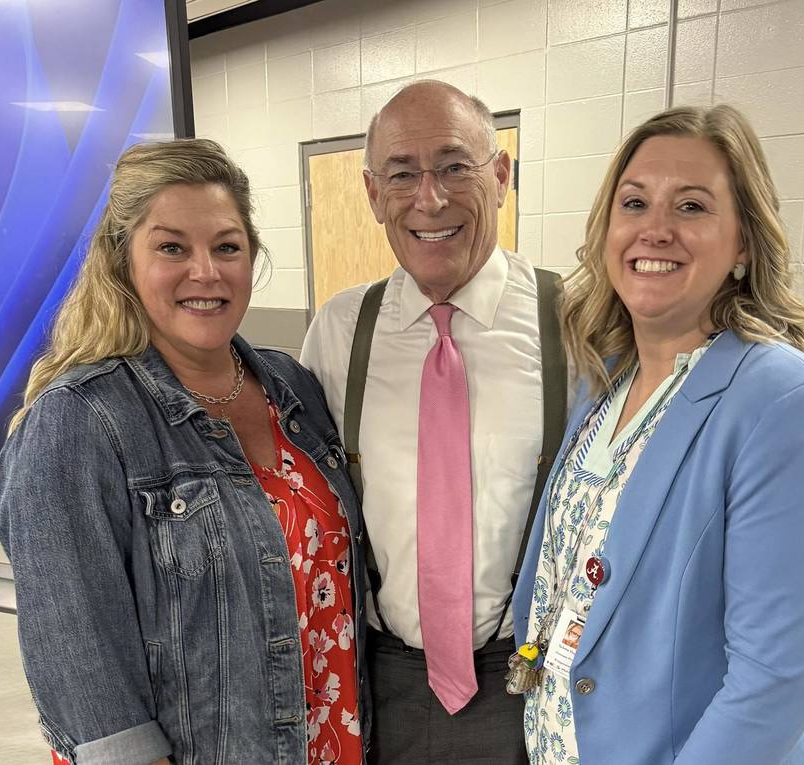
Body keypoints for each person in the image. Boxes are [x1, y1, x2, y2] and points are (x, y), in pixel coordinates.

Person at [512, 104, 804, 765]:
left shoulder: (791, 407)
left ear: (743, 242)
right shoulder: (605, 384)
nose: (655, 229)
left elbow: (776, 681)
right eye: (635, 202)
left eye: (691, 207)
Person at [0, 139, 370, 765]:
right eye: (172, 247)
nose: (206, 271)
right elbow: (79, 661)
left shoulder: (292, 389)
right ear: (124, 263)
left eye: (227, 246)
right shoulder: (80, 422)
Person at [300, 80, 567, 764]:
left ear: (501, 175)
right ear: (370, 193)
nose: (430, 198)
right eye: (402, 174)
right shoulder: (338, 331)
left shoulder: (574, 323)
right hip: (377, 680)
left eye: (455, 166)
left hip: (527, 676)